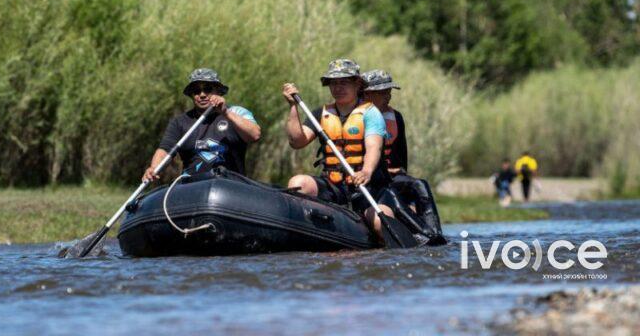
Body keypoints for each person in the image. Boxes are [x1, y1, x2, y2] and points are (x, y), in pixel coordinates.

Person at [281, 59, 395, 243]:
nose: (337, 87)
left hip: (366, 188)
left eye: (343, 82)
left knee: (380, 221)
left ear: (357, 84)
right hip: (333, 185)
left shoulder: (371, 113)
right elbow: (297, 141)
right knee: (298, 182)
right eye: (333, 83)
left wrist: (366, 171)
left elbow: (374, 147)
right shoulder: (321, 113)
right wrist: (293, 107)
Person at [361, 70, 445, 244]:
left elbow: (401, 152)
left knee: (419, 185)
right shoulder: (358, 116)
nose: (388, 96)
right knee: (406, 191)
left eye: (389, 91)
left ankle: (434, 234)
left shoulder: (396, 116)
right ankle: (426, 235)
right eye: (383, 92)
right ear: (367, 94)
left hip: (394, 175)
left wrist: (401, 172)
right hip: (372, 176)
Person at [142, 68, 261, 182]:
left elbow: (255, 135)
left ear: (219, 91)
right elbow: (165, 150)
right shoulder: (179, 122)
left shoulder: (237, 112)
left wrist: (225, 112)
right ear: (191, 95)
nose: (202, 94)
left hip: (231, 185)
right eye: (196, 91)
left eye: (208, 89)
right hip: (192, 187)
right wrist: (154, 168)